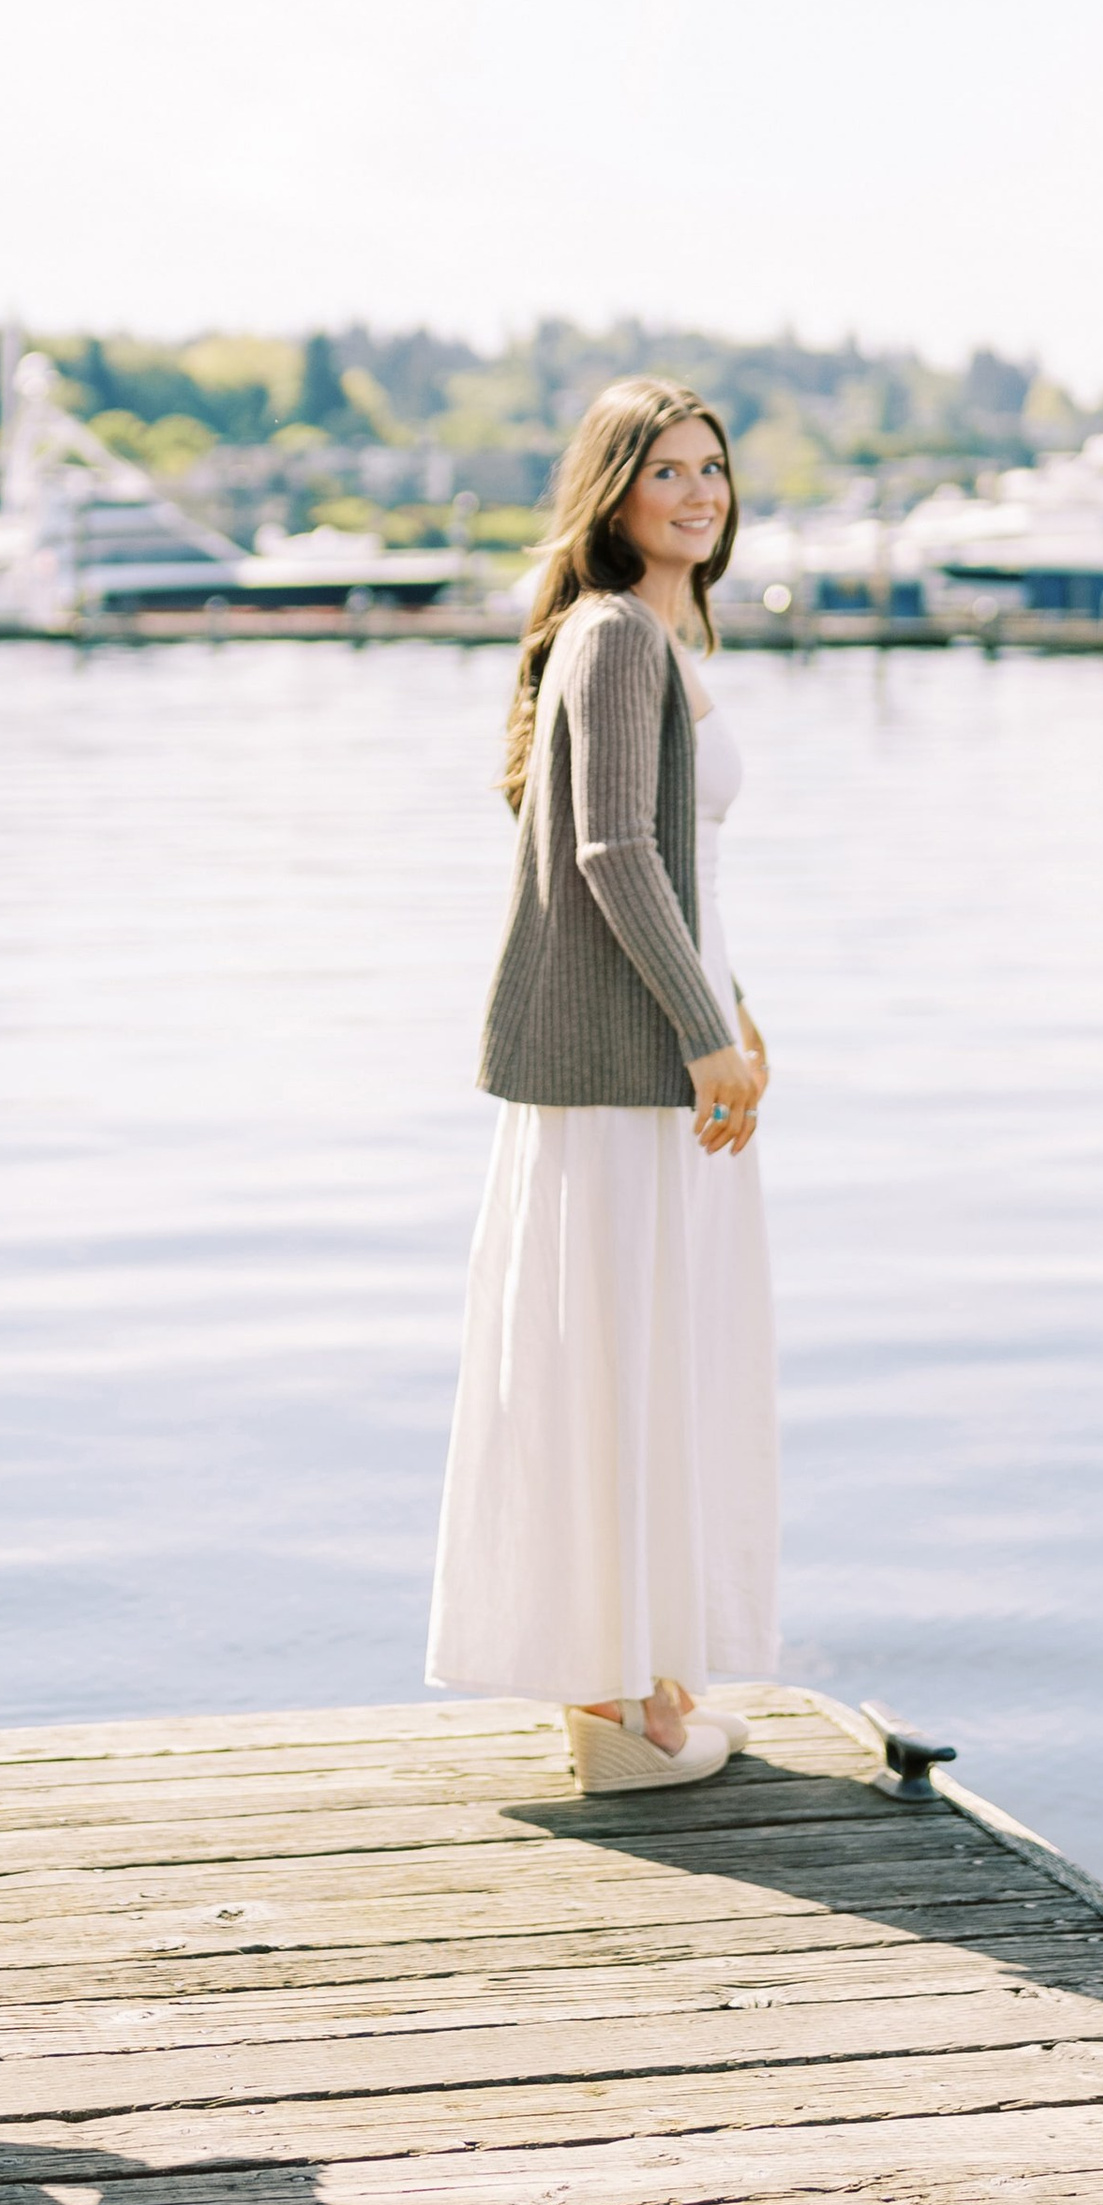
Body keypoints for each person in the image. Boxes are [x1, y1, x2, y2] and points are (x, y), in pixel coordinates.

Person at [425, 379, 776, 1793]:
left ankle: (639, 1674)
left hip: (653, 1062)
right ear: (613, 489)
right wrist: (705, 1032)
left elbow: (676, 871)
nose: (699, 493)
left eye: (714, 468)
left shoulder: (644, 634)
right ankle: (619, 1706)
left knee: (636, 1366)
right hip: (628, 1081)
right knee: (624, 1365)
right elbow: (616, 854)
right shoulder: (621, 635)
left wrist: (741, 1010)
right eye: (667, 470)